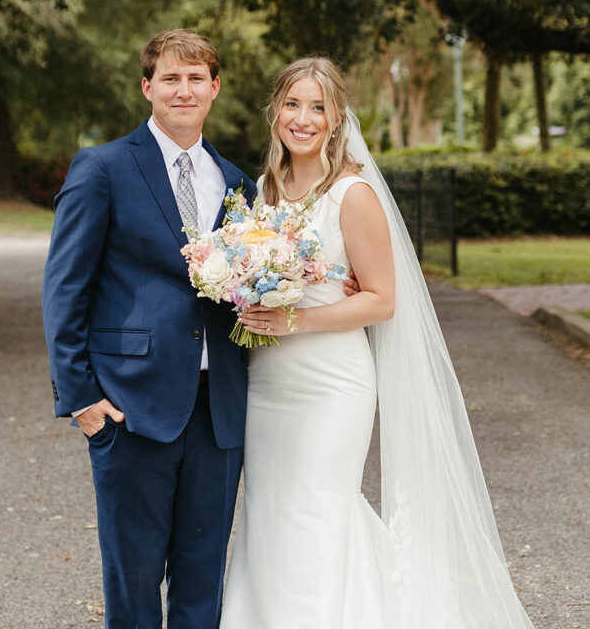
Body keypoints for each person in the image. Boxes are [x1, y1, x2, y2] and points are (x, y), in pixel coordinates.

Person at [220, 56, 536, 629]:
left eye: (318, 107)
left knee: (317, 510)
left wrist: (298, 321)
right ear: (275, 112)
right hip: (267, 381)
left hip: (331, 381)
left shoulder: (353, 194)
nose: (304, 118)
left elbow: (381, 300)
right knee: (268, 512)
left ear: (338, 117)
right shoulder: (263, 191)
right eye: (293, 104)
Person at [41, 29, 256, 629]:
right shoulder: (103, 167)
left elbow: (248, 287)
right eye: (170, 78)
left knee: (201, 578)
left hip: (219, 412)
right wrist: (81, 397)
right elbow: (65, 289)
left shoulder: (239, 183)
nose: (183, 90)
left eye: (195, 79)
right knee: (133, 583)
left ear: (214, 89)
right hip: (129, 405)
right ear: (147, 87)